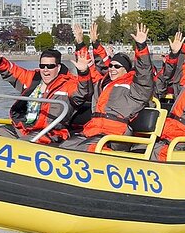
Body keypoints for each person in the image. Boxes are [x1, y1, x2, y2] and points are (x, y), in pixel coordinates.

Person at [61, 23, 155, 152]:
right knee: (65, 146)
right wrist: (80, 44)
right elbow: (86, 64)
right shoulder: (102, 83)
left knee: (88, 148)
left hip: (116, 134)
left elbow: (144, 73)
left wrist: (141, 46)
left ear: (126, 70)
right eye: (111, 66)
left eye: (117, 66)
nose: (112, 69)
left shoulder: (135, 87)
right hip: (94, 130)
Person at [0, 43, 90, 145]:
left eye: (50, 66)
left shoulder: (68, 84)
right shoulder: (33, 78)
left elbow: (83, 92)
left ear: (58, 68)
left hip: (50, 133)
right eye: (42, 66)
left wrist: (84, 73)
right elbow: (13, 72)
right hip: (23, 129)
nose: (45, 70)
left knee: (23, 144)